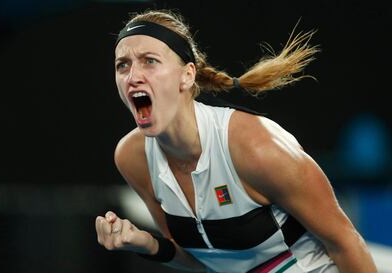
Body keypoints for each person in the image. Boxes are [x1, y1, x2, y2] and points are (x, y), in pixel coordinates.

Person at [95, 9, 377, 273]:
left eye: (150, 61)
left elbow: (346, 242)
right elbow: (199, 259)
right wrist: (144, 243)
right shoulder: (132, 158)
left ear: (187, 75)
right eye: (123, 65)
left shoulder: (257, 147)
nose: (133, 76)